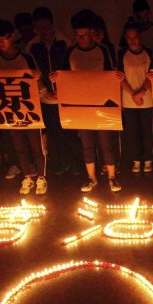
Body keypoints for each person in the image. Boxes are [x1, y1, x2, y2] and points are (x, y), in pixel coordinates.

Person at [54, 10, 120, 192]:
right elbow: (64, 76)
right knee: (86, 143)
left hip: (102, 105)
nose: (80, 38)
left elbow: (112, 75)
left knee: (106, 142)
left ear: (92, 32)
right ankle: (91, 177)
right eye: (77, 35)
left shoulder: (104, 50)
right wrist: (56, 80)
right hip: (80, 106)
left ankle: (112, 177)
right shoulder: (70, 52)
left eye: (84, 34)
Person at [0, 19, 49, 195]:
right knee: (19, 146)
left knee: (36, 146)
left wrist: (40, 84)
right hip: (10, 110)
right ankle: (27, 176)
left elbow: (39, 82)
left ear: (11, 37)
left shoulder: (26, 57)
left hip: (30, 109)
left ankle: (42, 178)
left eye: (3, 39)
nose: (0, 43)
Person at [27, 6, 75, 176]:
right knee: (53, 132)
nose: (44, 31)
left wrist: (63, 88)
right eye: (39, 28)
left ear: (52, 24)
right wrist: (44, 91)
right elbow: (32, 72)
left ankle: (75, 163)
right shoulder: (31, 46)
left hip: (65, 96)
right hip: (45, 97)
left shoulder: (65, 42)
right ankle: (60, 162)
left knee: (69, 131)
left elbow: (71, 69)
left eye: (46, 27)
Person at [117, 21, 153, 174]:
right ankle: (136, 159)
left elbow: (152, 76)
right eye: (129, 38)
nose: (132, 41)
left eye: (135, 37)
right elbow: (119, 77)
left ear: (140, 37)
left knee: (147, 131)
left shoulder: (150, 53)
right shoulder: (121, 54)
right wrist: (133, 94)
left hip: (147, 100)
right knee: (133, 132)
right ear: (125, 38)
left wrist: (141, 92)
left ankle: (148, 159)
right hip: (128, 100)